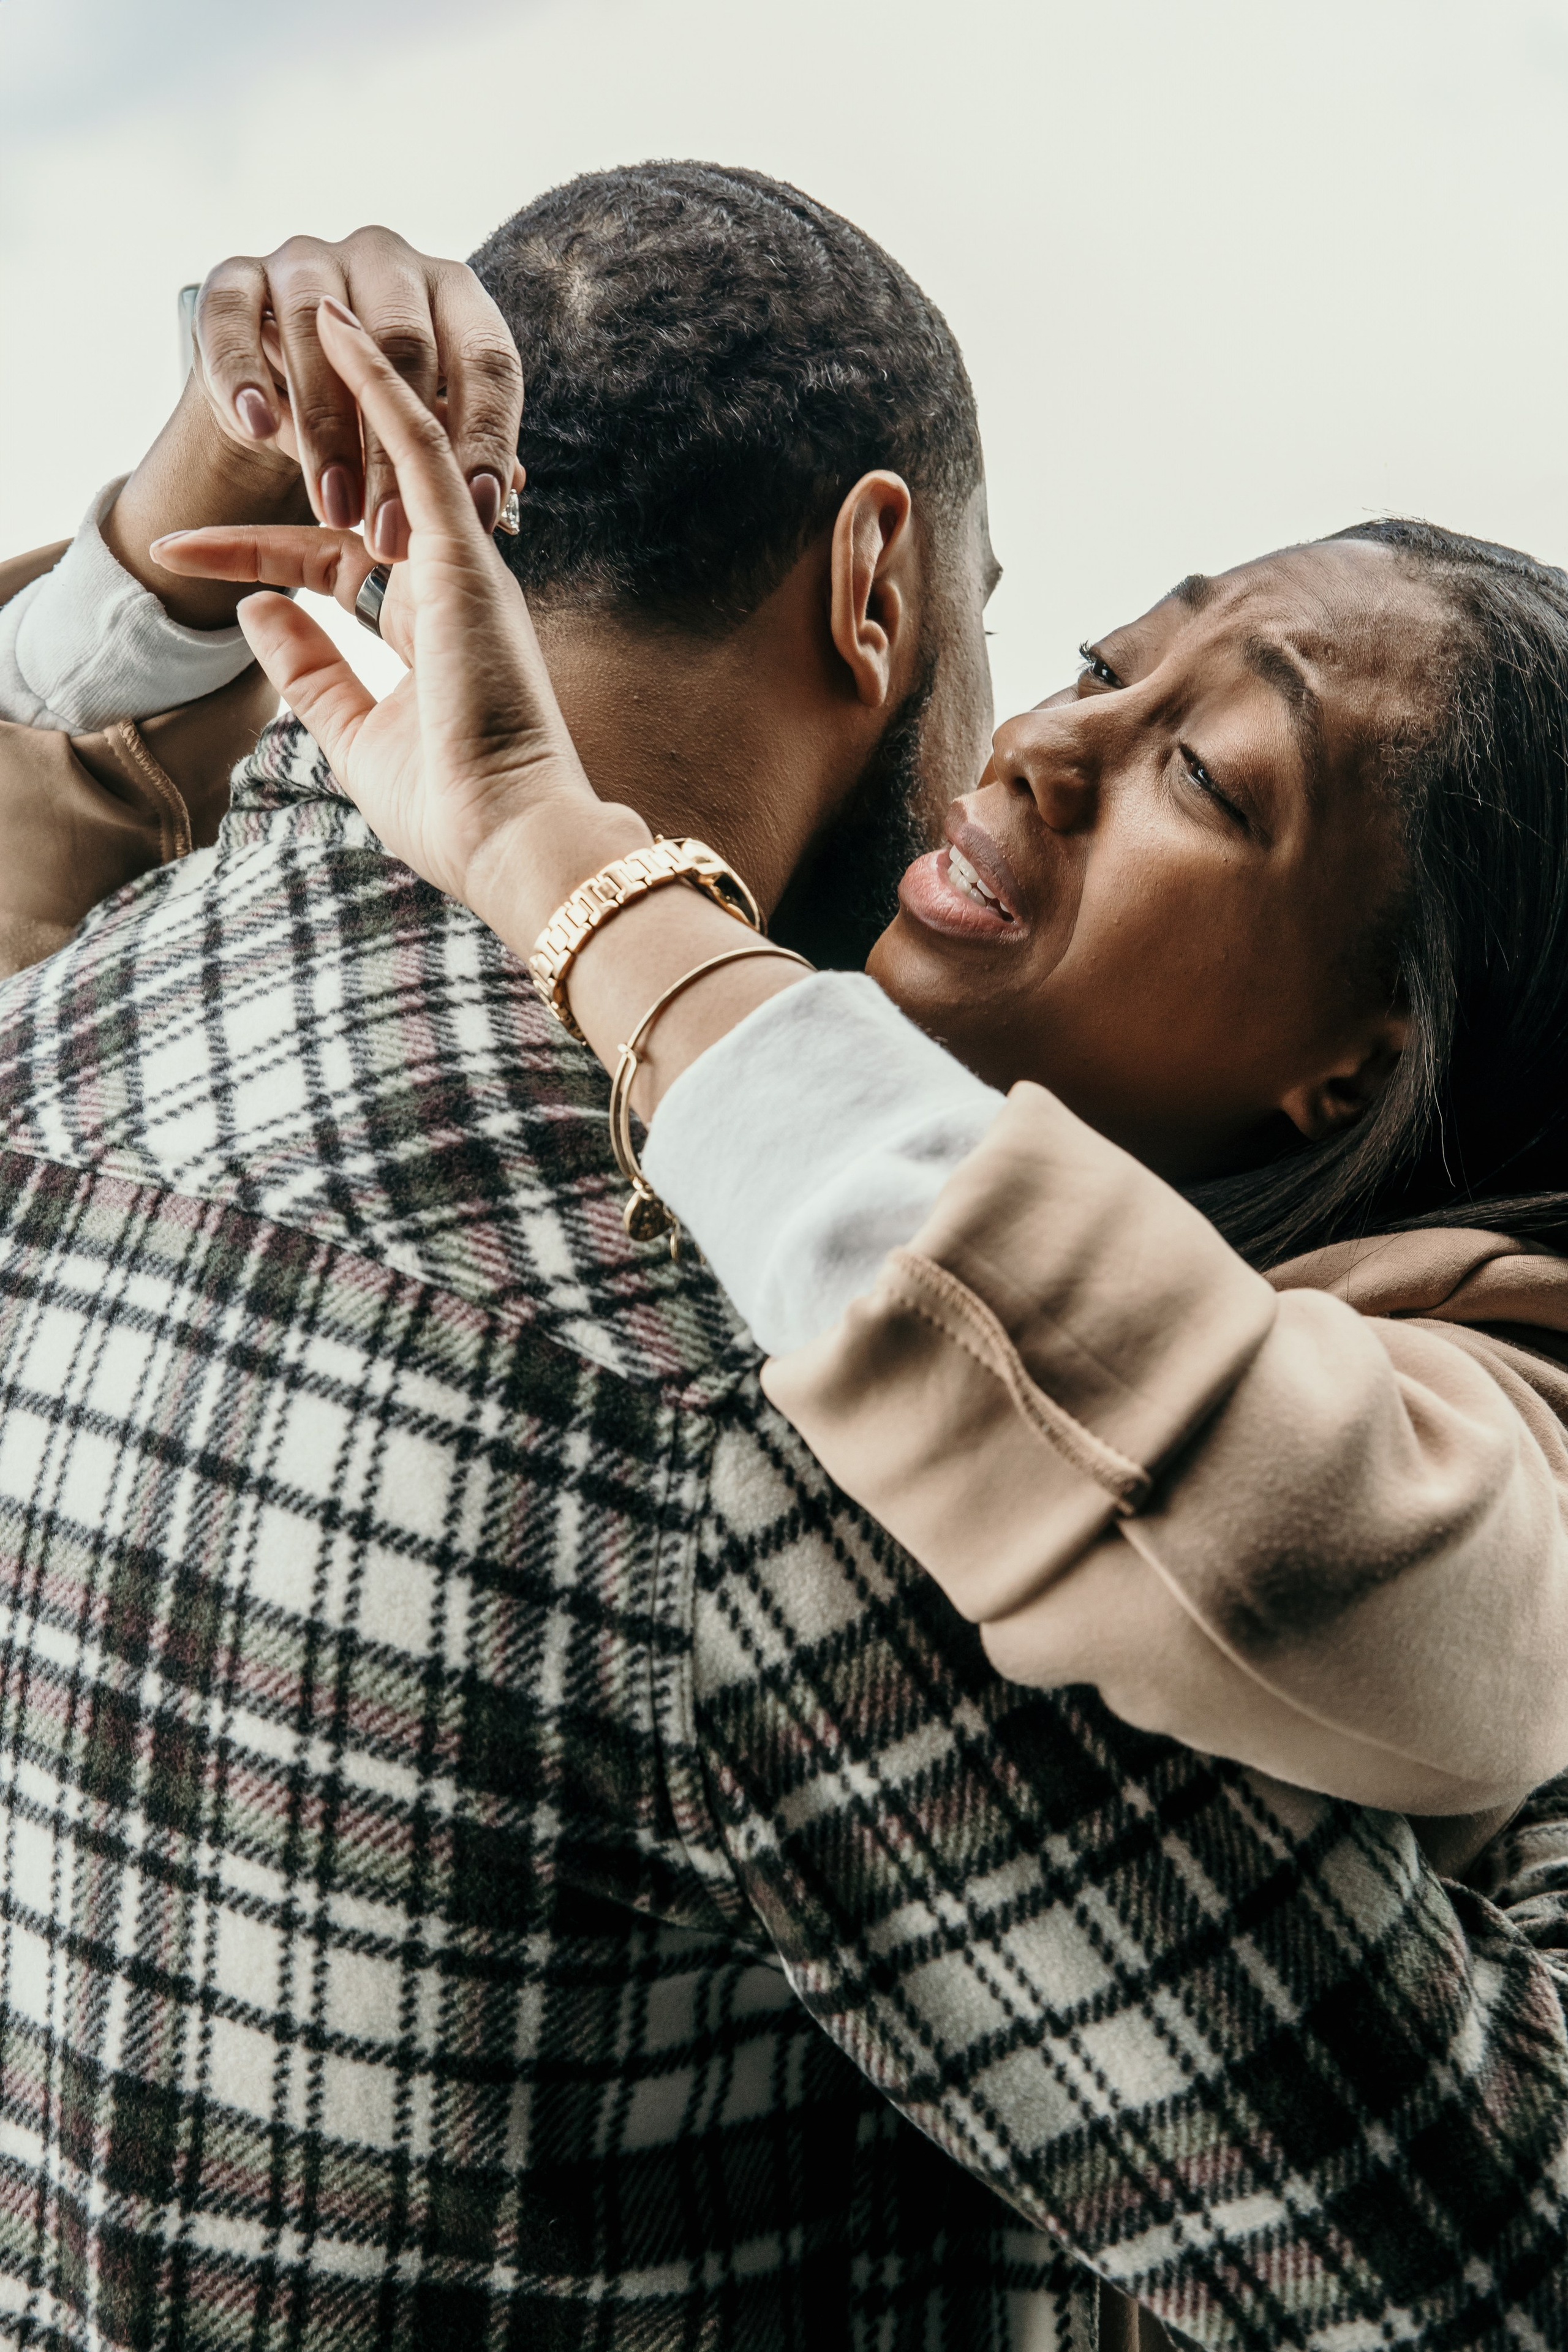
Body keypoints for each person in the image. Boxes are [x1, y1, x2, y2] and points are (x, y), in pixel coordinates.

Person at [3, 186, 1566, 2345]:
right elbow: (1484, 2262)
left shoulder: (72, 1043)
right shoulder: (783, 1407)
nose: (1032, 740)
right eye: (1087, 650)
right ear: (875, 591)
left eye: (1203, 763)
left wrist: (196, 595)